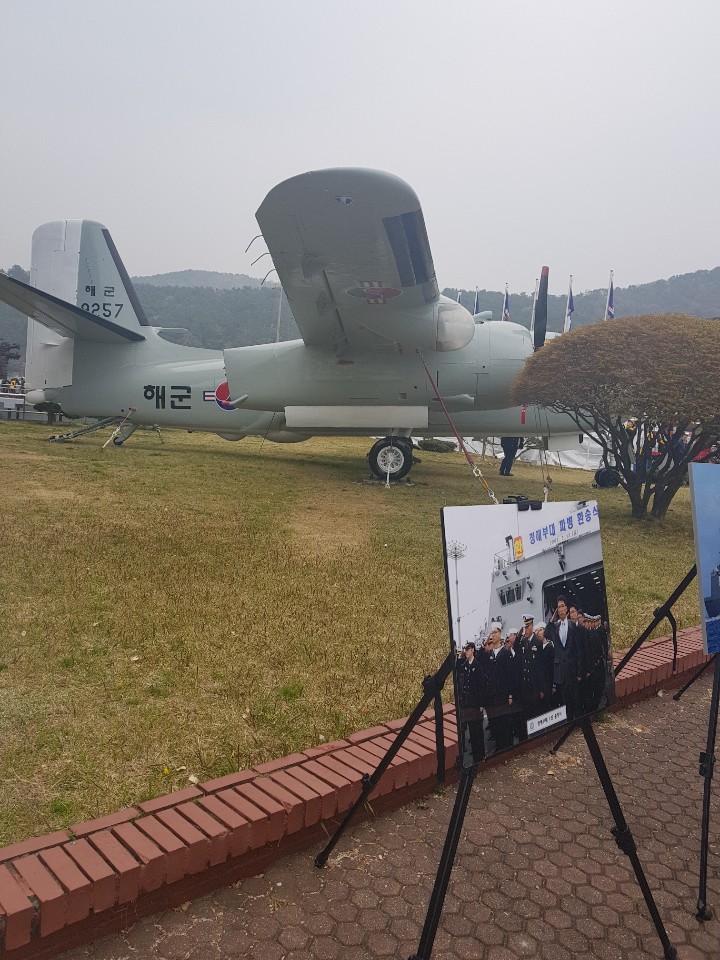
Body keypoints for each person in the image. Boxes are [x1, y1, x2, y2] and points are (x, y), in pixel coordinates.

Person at [546, 596, 583, 721]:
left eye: (562, 606)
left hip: (572, 667)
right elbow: (546, 633)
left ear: (566, 608)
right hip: (560, 670)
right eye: (559, 607)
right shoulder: (555, 627)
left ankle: (578, 720)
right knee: (565, 699)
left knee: (575, 696)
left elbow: (578, 649)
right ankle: (569, 721)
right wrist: (553, 618)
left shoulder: (573, 626)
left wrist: (579, 671)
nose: (561, 609)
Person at [480, 623, 514, 752]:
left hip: (502, 695)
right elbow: (479, 662)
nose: (492, 635)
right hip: (491, 697)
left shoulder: (505, 653)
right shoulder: (489, 653)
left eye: (495, 632)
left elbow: (510, 675)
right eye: (491, 633)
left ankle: (507, 748)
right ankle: (499, 749)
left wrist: (510, 694)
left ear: (500, 634)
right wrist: (484, 646)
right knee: (494, 725)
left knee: (504, 723)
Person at [457, 642, 486, 763]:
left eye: (468, 650)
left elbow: (481, 686)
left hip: (476, 703)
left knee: (477, 730)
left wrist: (481, 704)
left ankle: (481, 755)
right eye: (465, 650)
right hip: (467, 704)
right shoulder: (465, 665)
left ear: (473, 650)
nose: (466, 652)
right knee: (471, 731)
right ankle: (475, 756)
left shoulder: (477, 665)